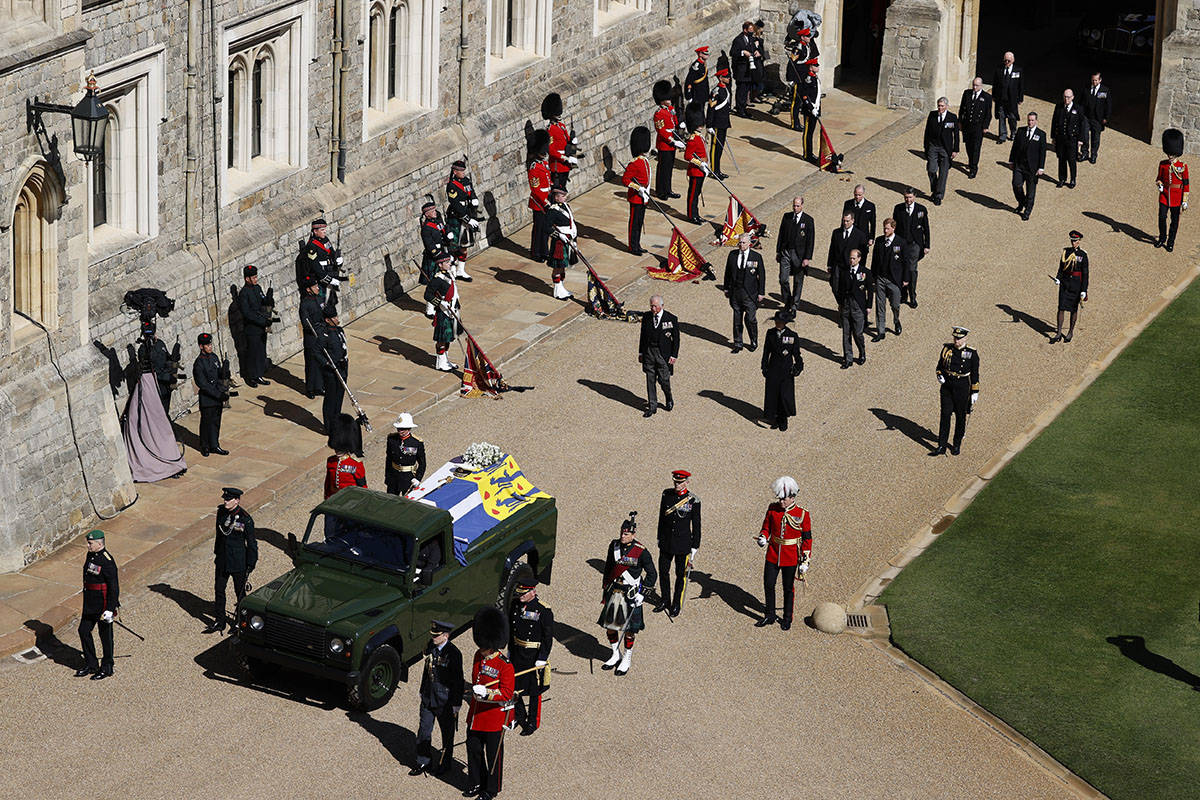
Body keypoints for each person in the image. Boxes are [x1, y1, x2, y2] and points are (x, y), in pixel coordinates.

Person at [598, 514, 657, 676]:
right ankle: (615, 653)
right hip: (615, 590)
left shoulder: (642, 552)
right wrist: (605, 588)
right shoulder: (614, 546)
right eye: (621, 533)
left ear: (633, 534)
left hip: (631, 593)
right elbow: (609, 568)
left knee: (630, 630)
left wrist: (643, 594)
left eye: (626, 534)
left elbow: (652, 574)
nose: (622, 536)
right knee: (610, 626)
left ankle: (627, 658)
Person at [465, 606, 513, 800]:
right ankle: (476, 781)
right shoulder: (479, 656)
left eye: (484, 648)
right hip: (476, 715)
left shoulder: (505, 665)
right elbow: (476, 677)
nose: (481, 651)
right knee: (473, 750)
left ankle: (491, 789)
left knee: (493, 757)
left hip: (493, 718)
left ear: (492, 644)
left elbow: (507, 692)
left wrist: (488, 693)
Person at [754, 477, 811, 631]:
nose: (781, 501)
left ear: (792, 497)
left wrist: (805, 561)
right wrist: (763, 537)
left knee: (788, 588)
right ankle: (770, 614)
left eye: (784, 498)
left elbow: (806, 539)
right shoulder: (772, 509)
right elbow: (766, 527)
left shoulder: (802, 514)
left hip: (791, 556)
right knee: (768, 584)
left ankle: (787, 618)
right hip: (773, 553)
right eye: (779, 498)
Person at [411, 620, 463, 777]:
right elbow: (427, 671)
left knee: (447, 735)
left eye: (436, 635)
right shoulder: (431, 647)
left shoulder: (453, 653)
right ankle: (423, 761)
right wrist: (422, 690)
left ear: (445, 636)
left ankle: (445, 763)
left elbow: (458, 680)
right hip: (428, 696)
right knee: (424, 730)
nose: (433, 637)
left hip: (445, 700)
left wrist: (456, 703)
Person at [203, 487, 257, 634]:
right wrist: (217, 553)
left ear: (237, 500)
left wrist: (250, 564)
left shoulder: (246, 519)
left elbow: (251, 544)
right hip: (222, 560)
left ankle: (241, 622)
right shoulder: (221, 512)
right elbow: (219, 535)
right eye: (225, 499)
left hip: (238, 562)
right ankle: (220, 621)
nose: (225, 501)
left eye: (228, 499)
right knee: (219, 590)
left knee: (240, 594)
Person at [508, 577, 553, 735]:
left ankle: (533, 721)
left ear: (533, 591)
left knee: (535, 690)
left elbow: (548, 637)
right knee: (514, 686)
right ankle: (519, 715)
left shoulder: (543, 610)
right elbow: (512, 629)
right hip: (517, 651)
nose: (520, 596)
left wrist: (542, 657)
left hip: (533, 654)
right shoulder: (515, 605)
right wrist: (510, 650)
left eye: (524, 593)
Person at [655, 470, 701, 617]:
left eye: (680, 482)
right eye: (676, 481)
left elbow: (697, 525)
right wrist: (659, 537)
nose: (677, 484)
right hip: (666, 542)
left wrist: (695, 546)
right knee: (663, 572)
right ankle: (665, 599)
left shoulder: (693, 500)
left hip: (683, 544)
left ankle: (676, 604)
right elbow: (661, 518)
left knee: (680, 575)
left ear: (687, 482)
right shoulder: (666, 495)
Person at [930, 326, 980, 456]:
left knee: (960, 416)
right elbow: (940, 366)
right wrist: (939, 375)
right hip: (947, 387)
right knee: (945, 415)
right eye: (955, 338)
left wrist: (975, 391)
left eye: (959, 338)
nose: (956, 341)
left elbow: (975, 374)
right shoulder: (947, 349)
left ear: (965, 338)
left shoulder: (972, 354)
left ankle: (956, 444)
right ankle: (941, 445)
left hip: (962, 387)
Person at [77, 529, 119, 680]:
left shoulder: (107, 561)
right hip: (90, 603)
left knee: (105, 637)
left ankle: (107, 667)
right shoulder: (91, 555)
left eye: (90, 543)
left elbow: (114, 587)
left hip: (102, 605)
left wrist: (110, 609)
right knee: (83, 631)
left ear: (99, 543)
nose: (88, 546)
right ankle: (91, 664)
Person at [761, 311, 803, 430]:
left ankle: (783, 419)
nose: (777, 324)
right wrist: (764, 366)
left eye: (779, 322)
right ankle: (775, 418)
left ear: (785, 323)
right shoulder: (770, 333)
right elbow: (766, 352)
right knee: (773, 395)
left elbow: (796, 354)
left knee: (784, 395)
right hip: (773, 369)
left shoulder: (792, 335)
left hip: (786, 371)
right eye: (776, 321)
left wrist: (799, 366)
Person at [637, 294, 679, 417]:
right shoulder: (647, 317)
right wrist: (640, 352)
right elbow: (642, 336)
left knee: (664, 380)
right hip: (649, 352)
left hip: (663, 354)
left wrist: (674, 355)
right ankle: (652, 406)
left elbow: (676, 339)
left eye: (655, 306)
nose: (653, 309)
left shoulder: (671, 319)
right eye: (651, 306)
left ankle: (668, 396)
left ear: (662, 306)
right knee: (650, 379)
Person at [723, 233, 766, 352]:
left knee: (751, 319)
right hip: (736, 292)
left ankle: (753, 340)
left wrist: (761, 292)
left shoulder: (756, 257)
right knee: (737, 319)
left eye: (744, 243)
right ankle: (738, 343)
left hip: (750, 293)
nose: (741, 245)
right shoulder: (732, 255)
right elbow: (727, 272)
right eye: (740, 243)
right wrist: (726, 288)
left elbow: (761, 276)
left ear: (749, 244)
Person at [891, 187, 930, 307]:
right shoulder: (898, 209)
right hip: (902, 244)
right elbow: (895, 227)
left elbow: (926, 228)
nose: (908, 200)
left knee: (912, 270)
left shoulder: (921, 209)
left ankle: (912, 296)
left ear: (915, 197)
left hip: (915, 244)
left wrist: (927, 245)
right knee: (902, 268)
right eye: (906, 197)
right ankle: (903, 294)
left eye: (910, 197)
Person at [870, 218, 909, 340]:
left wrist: (906, 279)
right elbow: (874, 260)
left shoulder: (901, 242)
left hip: (894, 280)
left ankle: (896, 320)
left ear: (893, 228)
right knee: (880, 305)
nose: (885, 230)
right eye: (884, 228)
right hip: (880, 278)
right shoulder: (879, 241)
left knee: (895, 304)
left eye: (887, 228)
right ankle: (881, 331)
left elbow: (906, 262)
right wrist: (873, 276)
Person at [776, 196, 814, 311]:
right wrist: (778, 251)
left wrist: (807, 258)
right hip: (786, 252)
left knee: (798, 281)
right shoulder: (787, 217)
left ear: (802, 205)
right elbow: (781, 234)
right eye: (794, 205)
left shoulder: (808, 220)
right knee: (783, 279)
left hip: (799, 255)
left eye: (797, 206)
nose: (795, 208)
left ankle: (794, 305)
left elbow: (810, 241)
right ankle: (787, 301)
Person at [193, 332, 228, 456]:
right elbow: (203, 384)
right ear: (201, 346)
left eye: (210, 344)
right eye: (207, 345)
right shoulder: (198, 363)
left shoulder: (214, 357)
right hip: (208, 399)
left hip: (217, 396)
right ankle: (205, 446)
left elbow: (218, 375)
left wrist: (225, 373)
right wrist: (218, 395)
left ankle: (215, 444)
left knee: (216, 422)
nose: (210, 347)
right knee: (206, 423)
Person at [1008, 111, 1048, 221]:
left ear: (1036, 121)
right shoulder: (1021, 131)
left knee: (1030, 192)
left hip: (1032, 168)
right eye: (1029, 120)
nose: (1030, 122)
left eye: (1032, 120)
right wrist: (1011, 160)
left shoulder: (1041, 134)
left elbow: (1042, 153)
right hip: (1019, 165)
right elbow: (1014, 147)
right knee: (1016, 185)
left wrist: (1041, 167)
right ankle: (1022, 202)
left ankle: (1027, 211)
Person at [1051, 230, 1089, 343]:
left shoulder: (1083, 255)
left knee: (1073, 309)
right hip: (1065, 283)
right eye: (1072, 241)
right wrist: (1058, 277)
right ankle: (1058, 333)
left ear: (1079, 241)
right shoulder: (1065, 252)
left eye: (1076, 241)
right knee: (1061, 307)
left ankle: (1070, 332)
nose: (1073, 243)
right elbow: (1061, 267)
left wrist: (1084, 290)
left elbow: (1086, 274)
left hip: (1076, 285)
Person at [834, 248, 870, 368]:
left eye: (854, 258)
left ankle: (862, 353)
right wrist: (840, 303)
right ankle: (848, 358)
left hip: (858, 306)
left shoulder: (865, 272)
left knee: (858, 333)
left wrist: (868, 306)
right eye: (850, 258)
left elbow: (870, 290)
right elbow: (839, 288)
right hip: (846, 305)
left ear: (859, 259)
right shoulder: (844, 272)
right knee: (846, 333)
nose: (851, 260)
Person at [295, 218, 344, 304]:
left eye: (325, 229)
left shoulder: (325, 239)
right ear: (315, 231)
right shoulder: (311, 246)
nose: (325, 231)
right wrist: (329, 279)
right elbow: (315, 266)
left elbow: (331, 252)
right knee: (321, 301)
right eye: (322, 230)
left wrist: (338, 259)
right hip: (319, 277)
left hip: (329, 271)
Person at [316, 304, 349, 433]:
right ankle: (329, 425)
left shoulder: (339, 330)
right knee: (331, 398)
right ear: (327, 320)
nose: (337, 319)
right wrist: (327, 364)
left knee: (339, 396)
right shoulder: (324, 335)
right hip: (331, 371)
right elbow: (316, 353)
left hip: (342, 368)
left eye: (336, 316)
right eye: (333, 317)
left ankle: (336, 421)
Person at [237, 265, 271, 387]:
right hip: (252, 328)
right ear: (247, 279)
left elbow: (262, 301)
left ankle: (259, 374)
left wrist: (268, 299)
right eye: (254, 277)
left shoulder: (257, 288)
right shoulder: (244, 294)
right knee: (252, 353)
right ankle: (251, 376)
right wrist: (261, 321)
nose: (256, 279)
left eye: (256, 277)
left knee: (261, 352)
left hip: (261, 327)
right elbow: (247, 313)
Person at [444, 161, 478, 282]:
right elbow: (455, 204)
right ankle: (452, 270)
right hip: (456, 217)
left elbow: (471, 191)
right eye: (461, 171)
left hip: (467, 213)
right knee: (453, 246)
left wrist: (474, 199)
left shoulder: (466, 181)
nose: (463, 173)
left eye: (464, 171)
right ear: (455, 172)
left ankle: (461, 271)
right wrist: (467, 219)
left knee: (465, 244)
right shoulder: (452, 186)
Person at [1156, 128, 1189, 252]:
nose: (1170, 156)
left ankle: (1171, 242)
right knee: (1162, 218)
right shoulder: (1162, 164)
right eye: (1169, 154)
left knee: (1174, 222)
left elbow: (1186, 185)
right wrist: (1159, 184)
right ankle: (1162, 238)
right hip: (1164, 196)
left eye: (1172, 154)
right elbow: (1159, 178)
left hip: (1177, 197)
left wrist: (1184, 200)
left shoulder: (1183, 167)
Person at [827, 211, 869, 308]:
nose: (845, 223)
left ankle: (846, 310)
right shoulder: (836, 233)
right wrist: (829, 264)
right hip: (838, 265)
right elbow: (832, 249)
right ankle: (842, 305)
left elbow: (863, 253)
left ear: (853, 221)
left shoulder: (860, 235)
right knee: (835, 287)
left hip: (851, 266)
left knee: (849, 289)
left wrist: (860, 267)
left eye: (847, 221)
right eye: (844, 221)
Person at [622, 126, 653, 256]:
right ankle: (632, 246)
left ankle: (637, 244)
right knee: (634, 223)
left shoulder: (644, 160)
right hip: (636, 198)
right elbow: (625, 180)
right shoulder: (634, 163)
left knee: (639, 223)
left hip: (643, 197)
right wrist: (638, 188)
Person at [923, 96, 959, 206]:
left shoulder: (952, 117)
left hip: (945, 149)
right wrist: (926, 147)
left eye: (942, 106)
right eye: (938, 105)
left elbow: (956, 134)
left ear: (947, 106)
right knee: (931, 169)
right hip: (933, 146)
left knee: (943, 173)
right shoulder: (932, 115)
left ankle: (938, 195)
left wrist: (955, 149)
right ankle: (935, 189)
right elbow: (927, 132)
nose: (940, 108)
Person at [428, 253, 460, 372]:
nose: (449, 264)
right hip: (443, 312)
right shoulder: (437, 279)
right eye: (446, 263)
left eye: (448, 262)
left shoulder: (449, 274)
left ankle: (446, 360)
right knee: (442, 338)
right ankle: (440, 363)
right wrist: (440, 303)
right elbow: (428, 295)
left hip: (452, 310)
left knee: (448, 337)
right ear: (440, 265)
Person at [652, 80, 683, 200]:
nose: (670, 99)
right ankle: (661, 191)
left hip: (671, 141)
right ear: (661, 99)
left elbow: (674, 119)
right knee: (663, 168)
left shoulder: (669, 109)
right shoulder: (659, 113)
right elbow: (661, 130)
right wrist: (673, 141)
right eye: (667, 98)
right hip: (665, 143)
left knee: (669, 168)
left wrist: (679, 124)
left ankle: (668, 189)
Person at [545, 186, 577, 300]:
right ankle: (557, 290)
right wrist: (559, 235)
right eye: (562, 196)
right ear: (556, 197)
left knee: (563, 265)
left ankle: (561, 288)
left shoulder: (566, 206)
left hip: (569, 240)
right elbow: (546, 227)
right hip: (559, 241)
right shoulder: (552, 211)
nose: (565, 197)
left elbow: (571, 222)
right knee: (558, 266)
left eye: (564, 195)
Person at [136, 320, 175, 413]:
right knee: (160, 412)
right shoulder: (143, 350)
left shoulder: (160, 343)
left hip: (166, 382)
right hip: (156, 385)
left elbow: (167, 358)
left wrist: (173, 359)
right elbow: (146, 368)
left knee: (166, 408)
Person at [543, 92, 579, 191]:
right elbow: (551, 150)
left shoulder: (561, 126)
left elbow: (566, 141)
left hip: (565, 163)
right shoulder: (550, 129)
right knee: (558, 190)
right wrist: (563, 158)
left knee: (563, 188)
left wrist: (573, 140)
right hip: (557, 165)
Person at [957, 77, 992, 179]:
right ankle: (970, 161)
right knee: (968, 146)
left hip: (978, 127)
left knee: (976, 148)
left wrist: (985, 126)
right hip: (967, 125)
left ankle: (973, 168)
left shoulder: (986, 97)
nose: (974, 87)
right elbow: (962, 108)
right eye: (973, 85)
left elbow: (988, 114)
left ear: (981, 86)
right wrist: (960, 121)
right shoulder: (967, 93)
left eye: (976, 85)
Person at [385, 412, 426, 495]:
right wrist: (388, 476)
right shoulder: (392, 439)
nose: (400, 431)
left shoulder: (416, 443)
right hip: (394, 477)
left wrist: (418, 478)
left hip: (409, 477)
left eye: (403, 429)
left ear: (409, 428)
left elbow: (422, 463)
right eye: (398, 428)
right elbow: (389, 459)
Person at [419, 199, 448, 314]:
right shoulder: (426, 228)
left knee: (442, 281)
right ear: (427, 214)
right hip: (433, 258)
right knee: (433, 284)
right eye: (432, 210)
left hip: (442, 253)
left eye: (434, 209)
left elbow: (444, 230)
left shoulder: (438, 221)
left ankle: (441, 302)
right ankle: (429, 309)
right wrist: (440, 255)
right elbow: (430, 245)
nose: (435, 211)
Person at [1051, 89, 1083, 188]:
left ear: (1073, 97)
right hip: (1061, 138)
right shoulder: (1059, 107)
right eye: (1065, 97)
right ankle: (1062, 178)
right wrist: (1053, 137)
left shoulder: (1078, 108)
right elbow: (1054, 122)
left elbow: (1082, 125)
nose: (1066, 99)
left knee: (1072, 160)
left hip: (1072, 139)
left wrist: (1081, 139)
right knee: (1061, 159)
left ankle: (1073, 179)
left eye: (1068, 97)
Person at [325, 420, 366, 498]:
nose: (337, 451)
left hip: (350, 498)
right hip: (333, 497)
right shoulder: (330, 461)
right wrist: (327, 496)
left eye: (339, 449)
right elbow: (328, 482)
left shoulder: (356, 464)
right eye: (336, 449)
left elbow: (362, 485)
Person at [528, 130, 552, 263]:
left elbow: (548, 180)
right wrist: (545, 201)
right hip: (539, 203)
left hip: (547, 198)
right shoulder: (534, 167)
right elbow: (535, 188)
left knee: (545, 228)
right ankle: (536, 252)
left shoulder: (544, 164)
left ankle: (544, 250)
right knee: (538, 228)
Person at [299, 276, 326, 397]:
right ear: (308, 289)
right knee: (311, 363)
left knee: (320, 362)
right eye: (314, 286)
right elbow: (306, 322)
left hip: (321, 334)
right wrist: (316, 329)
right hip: (312, 337)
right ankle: (310, 388)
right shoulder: (305, 304)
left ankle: (319, 386)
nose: (317, 288)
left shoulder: (320, 299)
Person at [683, 103, 709, 225]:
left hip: (701, 170)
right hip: (696, 171)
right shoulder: (693, 139)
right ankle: (691, 215)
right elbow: (687, 156)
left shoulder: (699, 137)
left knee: (697, 194)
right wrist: (700, 164)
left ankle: (696, 214)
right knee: (693, 195)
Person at [990, 51, 1023, 143]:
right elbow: (995, 84)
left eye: (1009, 60)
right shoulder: (999, 69)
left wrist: (1020, 98)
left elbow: (1021, 85)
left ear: (1013, 60)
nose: (1007, 62)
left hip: (1012, 100)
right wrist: (994, 96)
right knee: (1001, 117)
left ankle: (1013, 133)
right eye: (1005, 60)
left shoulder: (1018, 70)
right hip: (1001, 98)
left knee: (1012, 117)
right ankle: (1002, 135)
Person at [1079, 72, 1111, 164]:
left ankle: (1093, 155)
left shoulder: (1105, 90)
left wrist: (1106, 118)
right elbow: (1081, 102)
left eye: (1096, 80)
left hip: (1097, 119)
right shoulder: (1086, 88)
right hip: (1086, 117)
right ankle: (1084, 153)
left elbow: (1108, 105)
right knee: (1084, 135)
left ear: (1100, 80)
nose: (1094, 82)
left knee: (1095, 137)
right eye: (1093, 80)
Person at [706, 68, 732, 179]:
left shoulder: (725, 89)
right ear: (721, 78)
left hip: (723, 122)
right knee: (715, 148)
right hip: (716, 123)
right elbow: (711, 109)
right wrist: (709, 125)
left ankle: (718, 170)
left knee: (720, 148)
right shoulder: (716, 91)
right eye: (726, 77)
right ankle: (713, 170)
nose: (728, 78)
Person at [730, 21, 758, 116]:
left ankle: (743, 107)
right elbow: (733, 53)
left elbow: (753, 48)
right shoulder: (738, 40)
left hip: (748, 69)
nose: (752, 31)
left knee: (746, 90)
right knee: (741, 90)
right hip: (740, 70)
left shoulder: (750, 39)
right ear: (745, 30)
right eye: (750, 30)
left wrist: (756, 52)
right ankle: (739, 109)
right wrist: (743, 52)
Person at [842, 184, 876, 259]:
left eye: (859, 195)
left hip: (863, 237)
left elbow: (873, 223)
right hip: (850, 236)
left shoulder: (870, 206)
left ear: (863, 194)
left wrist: (871, 238)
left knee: (862, 258)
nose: (857, 197)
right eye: (855, 195)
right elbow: (843, 220)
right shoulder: (848, 204)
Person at [798, 59, 821, 163]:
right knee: (808, 133)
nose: (818, 67)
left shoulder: (814, 77)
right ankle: (807, 154)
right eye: (815, 65)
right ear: (811, 67)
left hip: (815, 108)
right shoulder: (808, 78)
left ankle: (810, 153)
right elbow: (804, 95)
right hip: (809, 110)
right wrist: (811, 108)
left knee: (811, 132)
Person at [750, 20, 768, 104]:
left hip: (760, 60)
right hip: (756, 62)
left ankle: (755, 96)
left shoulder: (758, 37)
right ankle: (753, 96)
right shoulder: (754, 38)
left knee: (760, 79)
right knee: (757, 80)